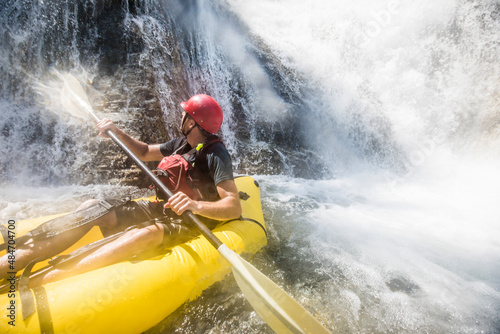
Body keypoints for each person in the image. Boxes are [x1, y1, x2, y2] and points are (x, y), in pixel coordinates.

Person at [0, 94, 241, 287]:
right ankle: (7, 266)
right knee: (92, 208)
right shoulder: (181, 144)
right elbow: (145, 151)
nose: (181, 115)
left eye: (185, 113)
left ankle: (37, 282)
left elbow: (232, 205)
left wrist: (195, 205)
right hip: (164, 208)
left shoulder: (216, 154)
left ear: (191, 122)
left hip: (192, 220)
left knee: (143, 235)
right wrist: (115, 131)